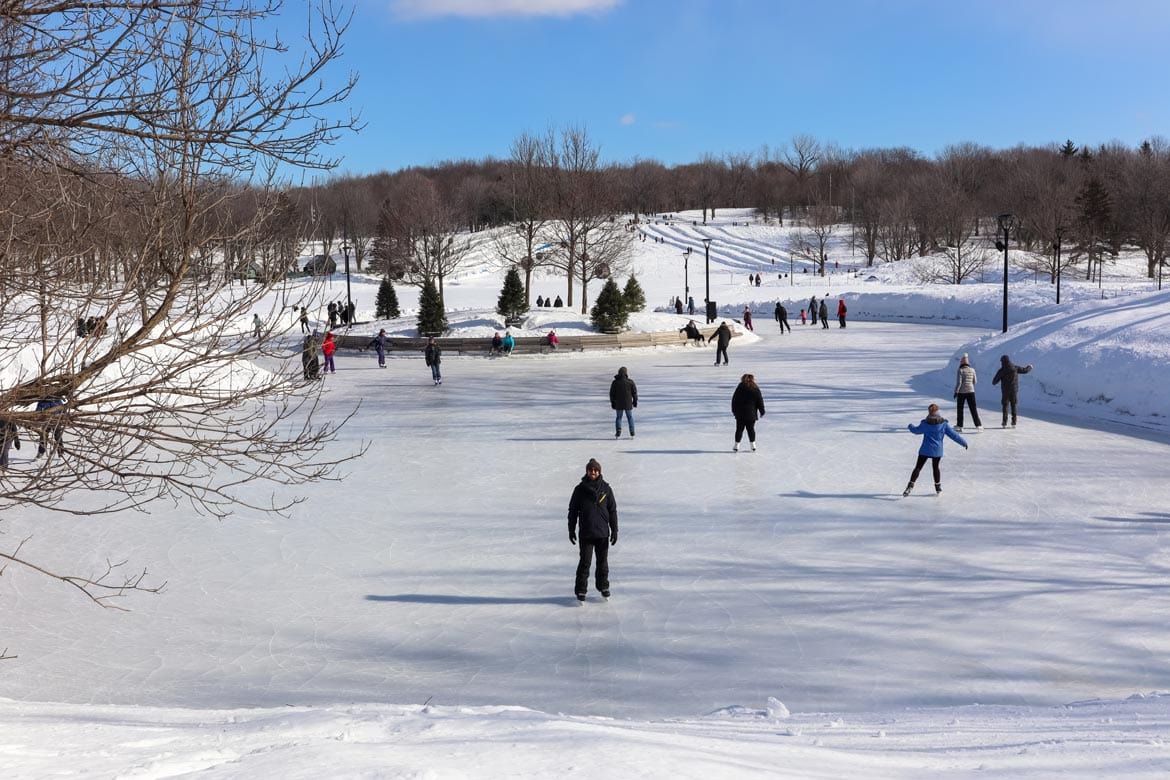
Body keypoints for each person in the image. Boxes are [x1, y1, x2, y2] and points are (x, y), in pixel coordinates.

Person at [567, 457, 619, 604]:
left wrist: (615, 530)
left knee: (603, 562)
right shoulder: (579, 490)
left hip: (602, 533)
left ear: (600, 471)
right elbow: (573, 511)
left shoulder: (606, 489)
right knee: (585, 562)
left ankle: (603, 587)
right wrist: (571, 530)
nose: (593, 472)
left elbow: (613, 510)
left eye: (596, 470)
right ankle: (581, 590)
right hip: (586, 533)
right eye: (591, 470)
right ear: (587, 471)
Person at [903, 402, 968, 496]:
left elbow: (916, 431)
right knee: (935, 467)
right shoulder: (943, 425)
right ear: (938, 412)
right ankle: (938, 488)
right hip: (937, 451)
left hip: (925, 449)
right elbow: (954, 435)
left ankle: (910, 486)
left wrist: (910, 426)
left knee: (918, 467)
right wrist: (963, 443)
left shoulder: (925, 424)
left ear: (929, 412)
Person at [992, 354, 1033, 428]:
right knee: (1014, 405)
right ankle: (1014, 422)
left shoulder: (1001, 371)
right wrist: (1029, 367)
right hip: (1014, 391)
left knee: (1005, 406)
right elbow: (1025, 371)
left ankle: (1004, 423)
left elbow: (994, 382)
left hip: (1005, 392)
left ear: (1002, 362)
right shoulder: (1015, 368)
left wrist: (998, 379)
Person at [731, 373, 766, 452]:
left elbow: (734, 400)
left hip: (740, 413)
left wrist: (734, 410)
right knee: (751, 429)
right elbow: (760, 401)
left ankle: (736, 445)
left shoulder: (740, 388)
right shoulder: (755, 388)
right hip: (751, 414)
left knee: (739, 429)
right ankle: (753, 445)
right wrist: (762, 411)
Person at [953, 353, 982, 431]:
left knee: (960, 409)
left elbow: (959, 382)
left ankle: (959, 426)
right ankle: (978, 425)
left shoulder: (960, 370)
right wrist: (970, 385)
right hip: (971, 392)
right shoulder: (972, 370)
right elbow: (975, 381)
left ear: (962, 363)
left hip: (961, 392)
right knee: (973, 409)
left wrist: (956, 391)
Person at [609, 366, 638, 438]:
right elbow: (634, 393)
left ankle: (618, 431)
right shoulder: (630, 382)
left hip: (618, 403)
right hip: (628, 403)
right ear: (626, 373)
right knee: (630, 417)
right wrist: (635, 401)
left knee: (619, 417)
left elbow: (612, 393)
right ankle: (632, 432)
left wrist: (612, 402)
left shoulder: (615, 382)